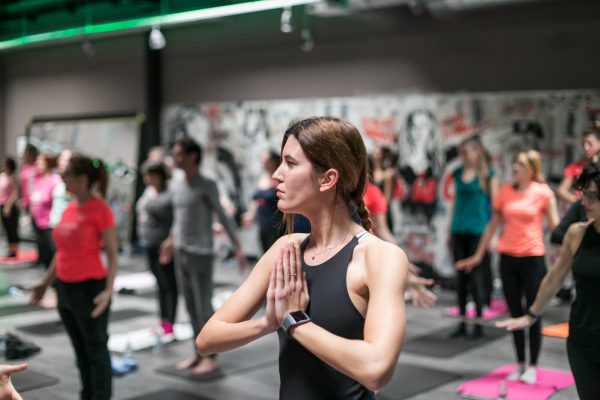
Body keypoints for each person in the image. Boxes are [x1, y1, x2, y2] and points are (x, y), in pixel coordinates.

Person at [196, 117, 409, 398]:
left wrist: (295, 321)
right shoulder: (286, 250)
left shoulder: (379, 257)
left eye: (291, 163)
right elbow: (206, 340)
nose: (276, 174)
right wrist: (268, 323)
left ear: (328, 178)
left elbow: (376, 369)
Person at [496, 159, 600, 400]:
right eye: (583, 193)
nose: (583, 202)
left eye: (592, 195)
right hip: (582, 340)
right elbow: (554, 278)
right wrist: (530, 314)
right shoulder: (577, 234)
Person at [457, 149, 559, 385]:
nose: (514, 168)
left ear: (532, 170)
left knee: (533, 313)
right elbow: (492, 226)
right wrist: (477, 256)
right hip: (507, 259)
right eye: (514, 164)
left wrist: (567, 250)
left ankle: (533, 365)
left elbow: (556, 228)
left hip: (533, 258)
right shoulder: (505, 192)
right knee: (514, 314)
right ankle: (520, 363)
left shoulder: (543, 193)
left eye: (520, 165)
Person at [30, 154, 117, 400]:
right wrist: (45, 283)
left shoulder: (100, 210)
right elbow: (61, 254)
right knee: (80, 353)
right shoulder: (69, 207)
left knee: (96, 351)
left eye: (66, 175)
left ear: (82, 179)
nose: (62, 179)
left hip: (90, 290)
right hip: (65, 290)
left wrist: (108, 292)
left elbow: (112, 254)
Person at [159, 137, 247, 376]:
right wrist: (170, 241)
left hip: (201, 254)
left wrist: (238, 246)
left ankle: (212, 356)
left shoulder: (206, 184)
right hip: (182, 252)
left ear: (192, 156)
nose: (175, 158)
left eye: (179, 154)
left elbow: (223, 215)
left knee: (203, 305)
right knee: (188, 305)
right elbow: (179, 220)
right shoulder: (178, 185)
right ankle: (198, 352)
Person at [448, 136, 498, 339]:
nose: (463, 156)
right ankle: (461, 322)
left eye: (466, 152)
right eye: (461, 153)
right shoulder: (457, 174)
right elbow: (455, 204)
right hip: (459, 229)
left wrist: (493, 236)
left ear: (477, 152)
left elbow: (495, 209)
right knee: (460, 279)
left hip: (479, 232)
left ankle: (478, 322)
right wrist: (448, 231)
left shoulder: (488, 175)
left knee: (477, 278)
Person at [136, 161, 177, 335]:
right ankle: (163, 320)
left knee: (168, 284)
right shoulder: (148, 192)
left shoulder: (170, 195)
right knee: (160, 284)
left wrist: (170, 241)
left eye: (150, 175)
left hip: (163, 246)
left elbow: (178, 220)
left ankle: (169, 322)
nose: (147, 179)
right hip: (149, 244)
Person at [242, 150, 285, 253]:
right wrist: (250, 215)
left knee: (275, 255)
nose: (264, 163)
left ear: (274, 161)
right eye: (263, 161)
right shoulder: (262, 177)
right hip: (262, 224)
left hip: (276, 225)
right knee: (265, 253)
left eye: (267, 161)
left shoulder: (279, 178)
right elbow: (257, 199)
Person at [29, 153, 61, 269]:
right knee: (43, 248)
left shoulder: (55, 179)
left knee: (53, 250)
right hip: (38, 219)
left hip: (49, 221)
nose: (38, 165)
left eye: (41, 162)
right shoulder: (38, 179)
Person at [556, 127, 600, 206]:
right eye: (583, 144)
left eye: (590, 144)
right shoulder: (576, 166)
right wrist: (578, 203)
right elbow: (561, 190)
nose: (586, 148)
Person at [0, 158, 20, 258]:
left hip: (10, 206)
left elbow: (15, 193)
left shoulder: (12, 178)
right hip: (2, 204)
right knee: (6, 228)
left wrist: (8, 206)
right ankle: (9, 247)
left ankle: (14, 250)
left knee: (12, 228)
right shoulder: (2, 177)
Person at [49, 149, 73, 229]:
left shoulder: (74, 182)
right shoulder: (55, 178)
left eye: (64, 159)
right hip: (53, 226)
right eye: (60, 158)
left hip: (66, 228)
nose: (60, 161)